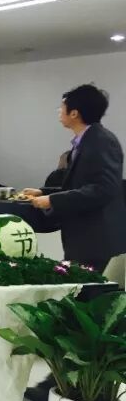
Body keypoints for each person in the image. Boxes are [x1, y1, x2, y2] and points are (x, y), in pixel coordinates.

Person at [22, 84, 126, 270]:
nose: (59, 111)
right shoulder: (86, 141)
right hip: (84, 240)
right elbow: (80, 186)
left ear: (74, 113)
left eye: (62, 107)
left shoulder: (102, 141)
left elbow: (104, 189)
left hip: (97, 241)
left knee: (92, 288)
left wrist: (52, 200)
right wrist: (43, 192)